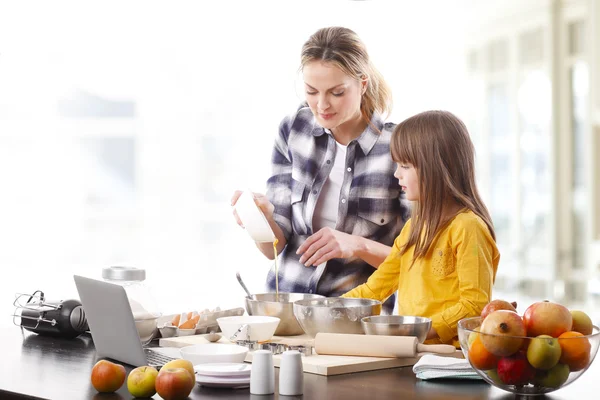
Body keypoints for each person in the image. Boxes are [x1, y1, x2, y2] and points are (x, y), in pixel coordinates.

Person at [231, 27, 409, 313]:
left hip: (354, 320)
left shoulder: (400, 147)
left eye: (336, 93)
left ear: (363, 84)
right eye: (311, 91)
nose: (321, 105)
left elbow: (419, 264)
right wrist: (260, 220)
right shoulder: (294, 131)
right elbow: (272, 248)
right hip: (285, 312)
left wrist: (356, 245)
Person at [342, 110, 500, 347]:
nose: (397, 174)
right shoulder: (413, 228)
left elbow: (474, 305)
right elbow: (375, 289)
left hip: (449, 359)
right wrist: (328, 308)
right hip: (415, 352)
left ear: (436, 168)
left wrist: (415, 331)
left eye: (405, 166)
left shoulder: (469, 228)